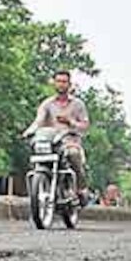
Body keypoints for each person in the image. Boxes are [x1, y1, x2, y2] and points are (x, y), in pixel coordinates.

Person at [24, 70, 91, 203]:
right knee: (37, 154)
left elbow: (85, 125)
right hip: (51, 142)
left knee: (73, 154)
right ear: (54, 83)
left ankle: (80, 189)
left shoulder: (78, 104)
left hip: (70, 141)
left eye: (64, 82)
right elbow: (39, 120)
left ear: (69, 84)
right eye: (58, 81)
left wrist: (70, 122)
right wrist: (29, 131)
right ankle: (42, 186)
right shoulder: (47, 104)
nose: (61, 84)